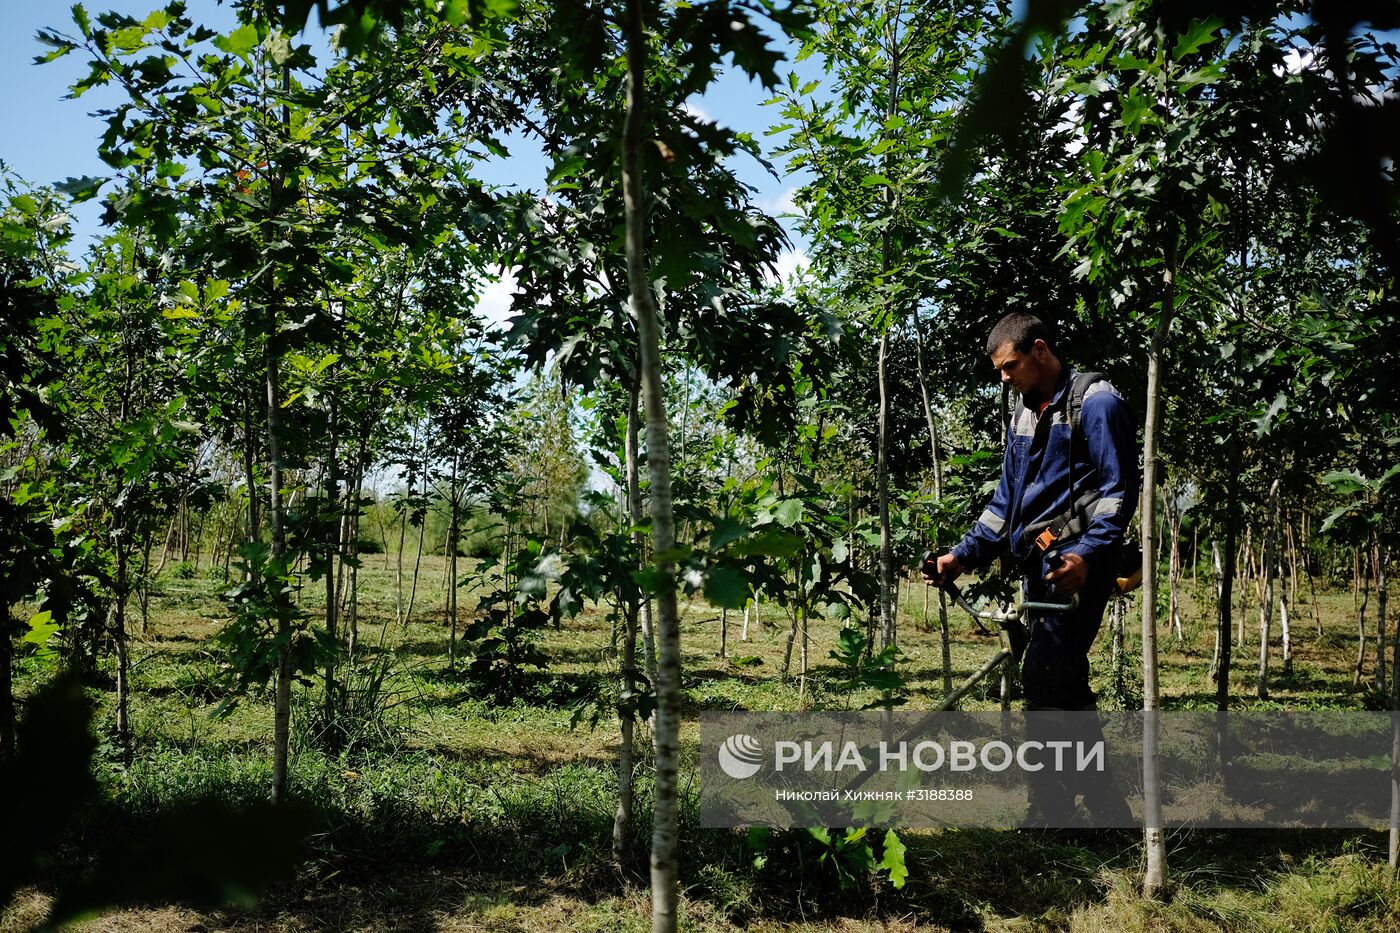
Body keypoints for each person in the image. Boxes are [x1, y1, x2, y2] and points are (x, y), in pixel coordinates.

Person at [925, 311, 1137, 824]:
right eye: (999, 369)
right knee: (1064, 680)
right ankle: (1107, 804)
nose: (1004, 378)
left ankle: (1050, 806)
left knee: (1043, 676)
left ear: (1039, 350)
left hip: (1078, 566)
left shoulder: (1098, 402)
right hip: (1037, 566)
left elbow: (1118, 494)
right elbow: (1006, 506)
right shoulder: (1023, 413)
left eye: (1010, 365)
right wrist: (962, 555)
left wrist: (1087, 558)